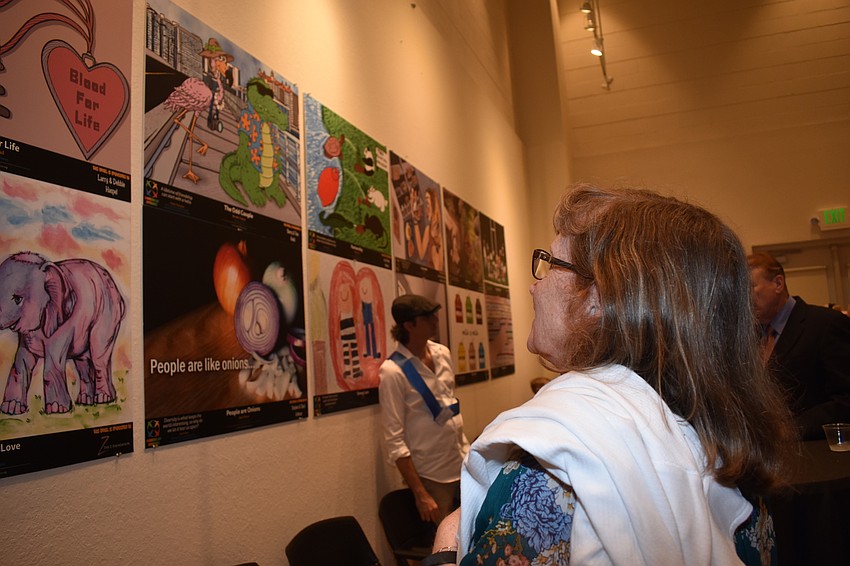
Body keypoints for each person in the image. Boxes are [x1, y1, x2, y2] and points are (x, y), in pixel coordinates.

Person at [428, 184, 795, 566]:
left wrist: (445, 546)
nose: (534, 287)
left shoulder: (553, 466)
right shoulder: (730, 450)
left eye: (550, 264)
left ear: (597, 299)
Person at [380, 294, 470, 525]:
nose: (435, 320)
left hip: (461, 463)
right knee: (445, 546)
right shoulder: (393, 372)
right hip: (432, 477)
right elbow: (395, 441)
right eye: (427, 317)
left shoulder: (443, 353)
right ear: (409, 325)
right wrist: (421, 494)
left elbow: (449, 405)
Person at [748, 252, 850, 439]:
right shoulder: (750, 335)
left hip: (819, 452)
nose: (745, 298)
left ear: (778, 284)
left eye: (751, 287)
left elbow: (846, 398)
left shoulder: (825, 324)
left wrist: (793, 428)